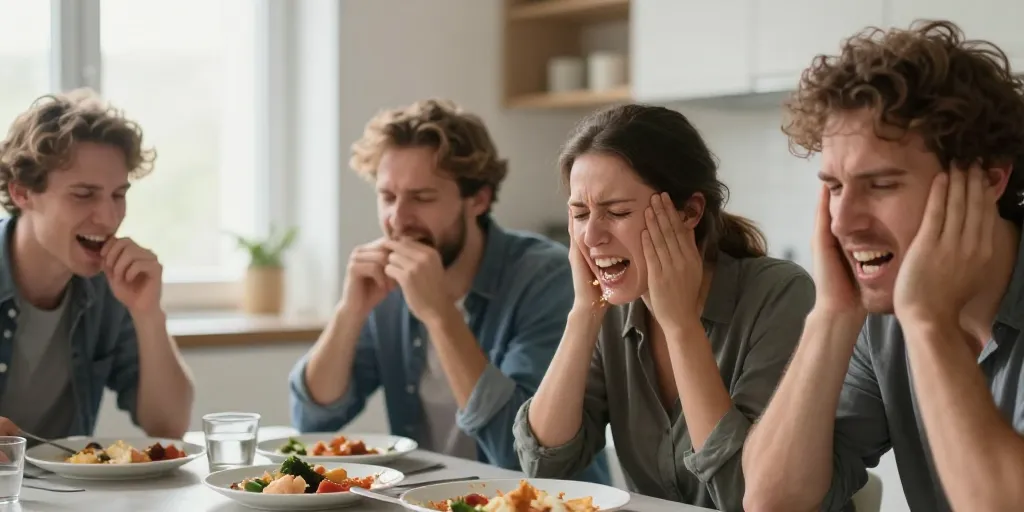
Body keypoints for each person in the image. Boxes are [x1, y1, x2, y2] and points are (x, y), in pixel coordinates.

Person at [742, 20, 1024, 512]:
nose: (843, 221)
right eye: (833, 187)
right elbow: (772, 499)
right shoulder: (881, 322)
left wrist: (929, 322)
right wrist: (832, 314)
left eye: (882, 185)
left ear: (989, 180)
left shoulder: (915, 312)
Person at [512, 104, 814, 510]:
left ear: (689, 211)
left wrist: (680, 325)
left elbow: (744, 495)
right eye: (579, 213)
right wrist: (583, 314)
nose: (592, 236)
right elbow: (545, 463)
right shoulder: (613, 306)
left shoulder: (780, 295)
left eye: (617, 212)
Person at [289, 99, 609, 482]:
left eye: (422, 198)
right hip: (432, 500)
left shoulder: (547, 277)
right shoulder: (386, 285)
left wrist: (439, 313)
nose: (398, 219)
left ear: (478, 199)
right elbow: (313, 420)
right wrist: (349, 312)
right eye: (387, 197)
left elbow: (525, 455)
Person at [0, 89, 195, 441]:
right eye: (83, 194)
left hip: (69, 495)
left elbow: (169, 426)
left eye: (118, 195)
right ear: (22, 193)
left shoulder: (110, 286)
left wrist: (148, 313)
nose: (108, 218)